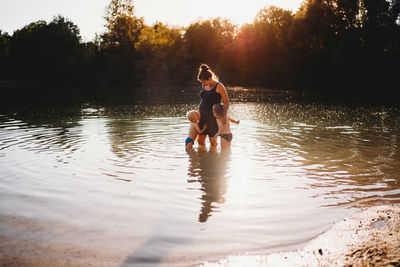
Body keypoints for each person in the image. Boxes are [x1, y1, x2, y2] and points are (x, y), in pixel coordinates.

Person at [197, 64, 230, 148]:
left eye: (204, 82)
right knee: (200, 141)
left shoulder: (219, 86)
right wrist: (198, 112)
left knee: (212, 141)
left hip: (213, 117)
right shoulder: (204, 85)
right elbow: (203, 99)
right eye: (201, 82)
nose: (203, 84)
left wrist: (224, 116)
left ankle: (213, 159)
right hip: (203, 116)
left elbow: (226, 102)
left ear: (209, 78)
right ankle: (203, 158)